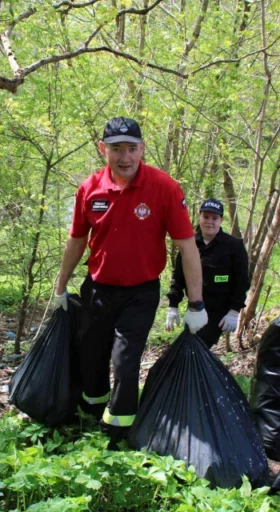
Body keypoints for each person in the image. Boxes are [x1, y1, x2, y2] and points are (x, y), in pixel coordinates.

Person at [53, 116, 208, 442]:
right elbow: (77, 241)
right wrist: (59, 287)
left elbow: (187, 248)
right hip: (97, 290)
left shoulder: (164, 188)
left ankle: (118, 434)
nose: (125, 158)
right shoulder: (89, 189)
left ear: (143, 148)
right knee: (91, 357)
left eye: (132, 149)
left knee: (125, 360)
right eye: (116, 149)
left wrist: (196, 303)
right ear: (102, 150)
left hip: (140, 292)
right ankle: (92, 415)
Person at [165, 198, 250, 348]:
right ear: (199, 216)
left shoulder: (233, 246)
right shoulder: (189, 244)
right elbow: (178, 276)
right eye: (206, 217)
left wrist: (234, 311)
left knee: (197, 346)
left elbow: (242, 281)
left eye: (214, 218)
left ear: (221, 220)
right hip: (195, 308)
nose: (209, 222)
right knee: (190, 348)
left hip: (219, 311)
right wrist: (173, 305)